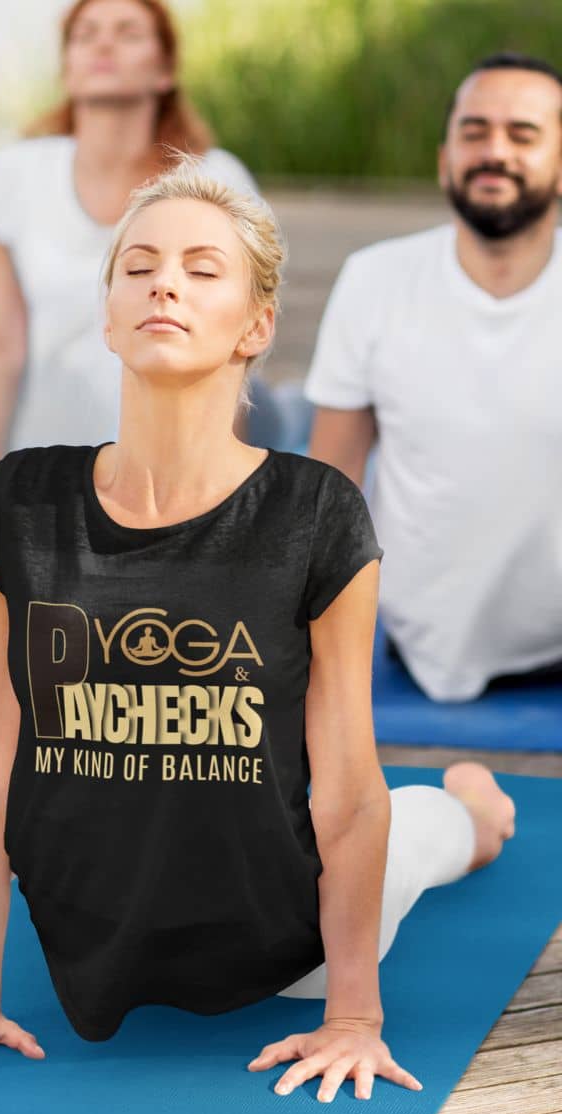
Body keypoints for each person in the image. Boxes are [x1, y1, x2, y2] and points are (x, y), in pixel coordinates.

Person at [0, 162, 515, 1103]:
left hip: (290, 938)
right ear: (109, 317)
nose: (164, 283)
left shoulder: (315, 514)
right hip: (90, 937)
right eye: (139, 267)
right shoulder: (19, 508)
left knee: (422, 833)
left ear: (256, 327)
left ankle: (476, 809)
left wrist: (353, 1019)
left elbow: (347, 793)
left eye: (203, 270)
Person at [0, 0, 259, 545]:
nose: (103, 44)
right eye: (86, 34)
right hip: (47, 472)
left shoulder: (216, 183)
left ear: (165, 69)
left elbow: (232, 356)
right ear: (68, 67)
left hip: (168, 478)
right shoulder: (20, 173)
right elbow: (1, 346)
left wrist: (221, 504)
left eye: (128, 33)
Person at [306, 53, 562, 702]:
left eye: (523, 134)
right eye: (474, 132)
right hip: (422, 654)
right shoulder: (375, 280)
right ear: (445, 159)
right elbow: (331, 487)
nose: (494, 151)